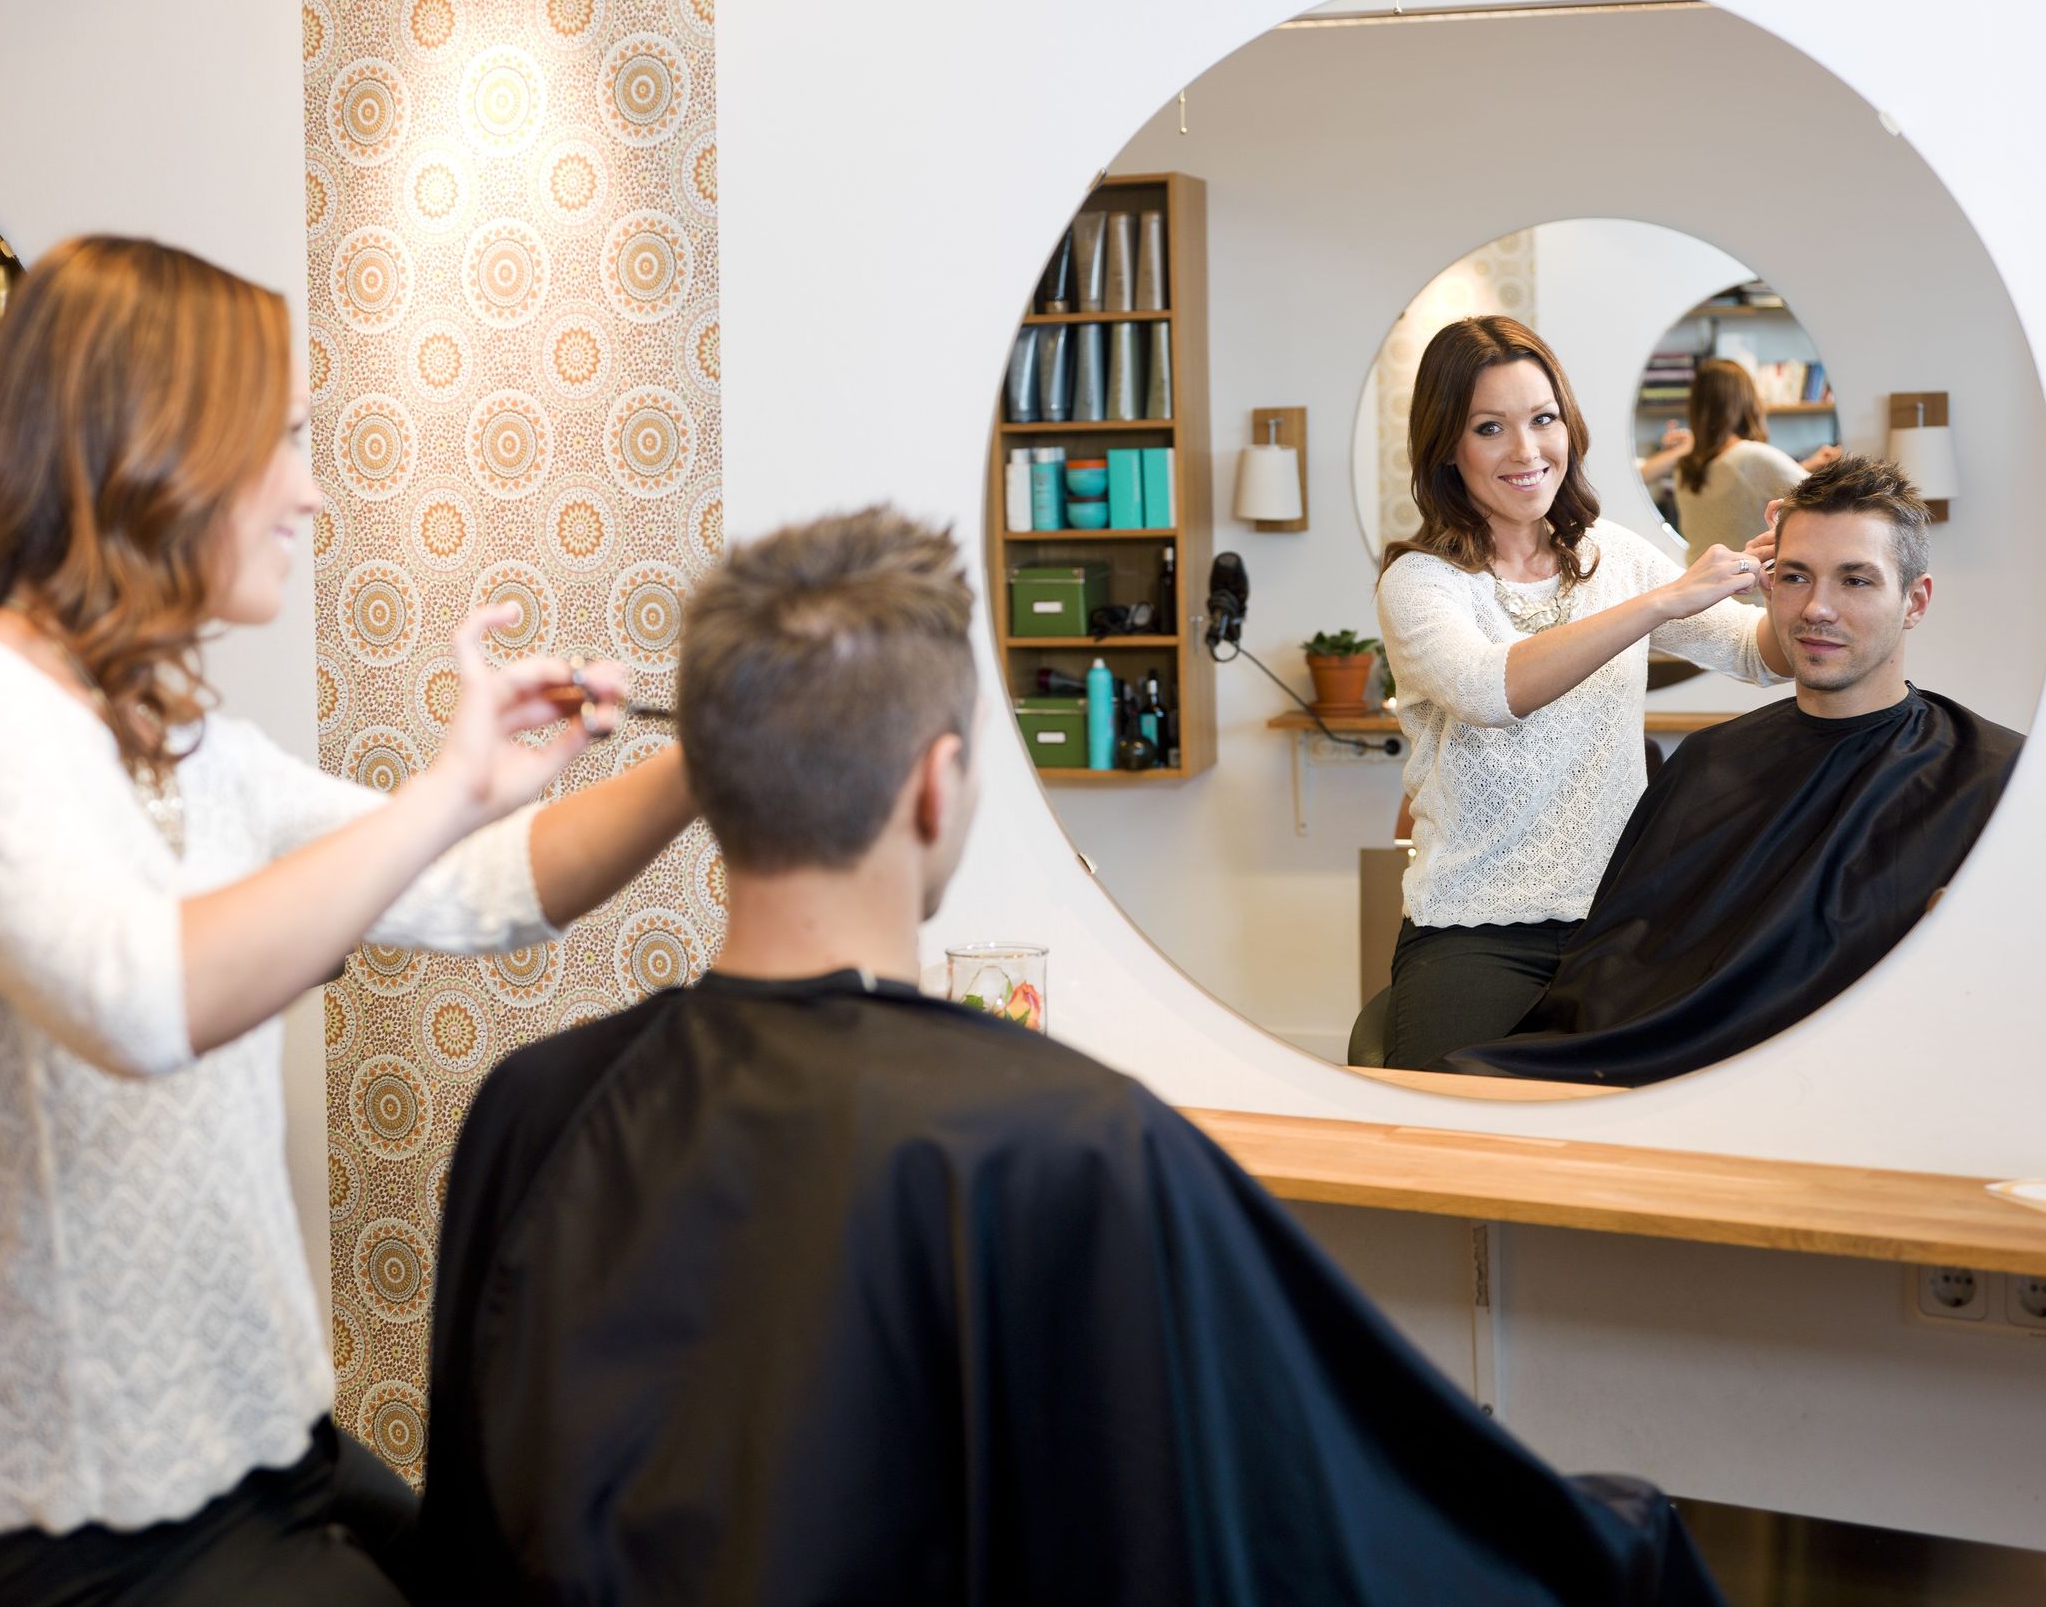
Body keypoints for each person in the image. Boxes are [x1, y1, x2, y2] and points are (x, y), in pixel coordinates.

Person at [415, 507, 1721, 1606]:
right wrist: (1625, 1539)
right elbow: (1308, 1531)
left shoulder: (533, 1109)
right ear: (937, 785)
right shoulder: (1080, 1146)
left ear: (713, 770)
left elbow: (477, 1531)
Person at [0, 237, 695, 1607]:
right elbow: (136, 1000)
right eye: (285, 439)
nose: (311, 489)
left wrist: (709, 756)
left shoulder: (186, 741)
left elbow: (485, 886)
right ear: (151, 444)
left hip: (268, 1448)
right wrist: (447, 788)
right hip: (85, 1523)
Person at [1449, 456, 2021, 1085]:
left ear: (1915, 601)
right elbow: (1615, 975)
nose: (1817, 608)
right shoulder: (1708, 764)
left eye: (1856, 581)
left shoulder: (1992, 776)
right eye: (1795, 576)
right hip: (1651, 1069)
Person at [1360, 317, 1792, 1071]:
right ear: (1446, 447)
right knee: (1454, 1125)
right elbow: (1489, 689)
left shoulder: (1614, 557)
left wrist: (1804, 577)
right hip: (1474, 929)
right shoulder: (1421, 582)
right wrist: (1662, 602)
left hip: (1619, 922)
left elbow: (1758, 654)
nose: (1526, 451)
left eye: (1542, 419)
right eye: (1489, 428)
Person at [1660, 358, 1838, 588]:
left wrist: (1807, 465)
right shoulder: (1753, 457)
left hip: (1701, 591)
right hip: (1749, 596)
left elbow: (1738, 491)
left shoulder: (1685, 468)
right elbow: (1829, 502)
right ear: (1748, 401)